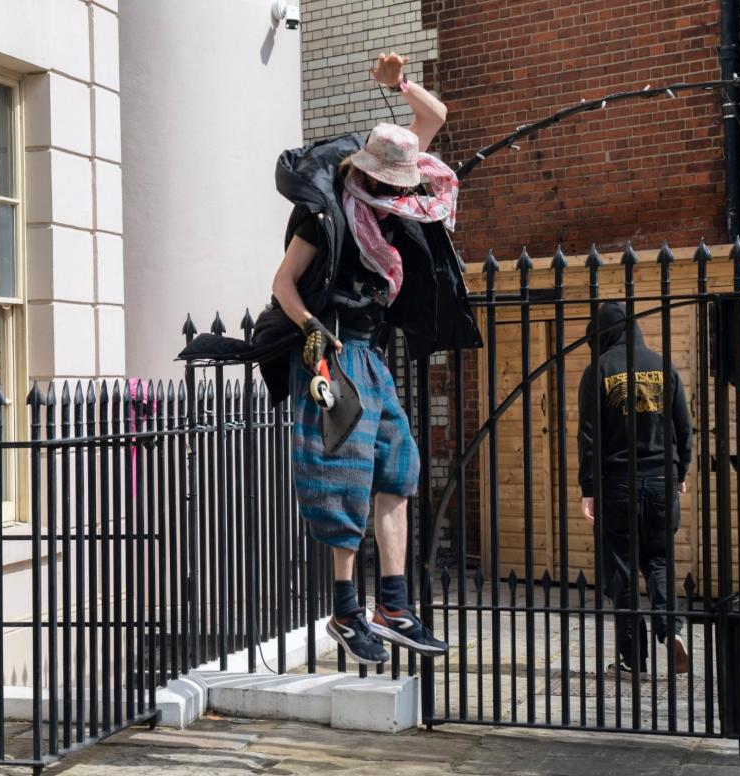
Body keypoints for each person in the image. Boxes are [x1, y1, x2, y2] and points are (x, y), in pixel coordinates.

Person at [255, 53, 480, 664]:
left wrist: (398, 84)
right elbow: (283, 283)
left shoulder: (388, 202)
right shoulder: (325, 211)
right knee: (343, 480)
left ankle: (395, 605)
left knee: (399, 470)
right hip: (331, 352)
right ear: (371, 179)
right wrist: (313, 334)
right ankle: (346, 609)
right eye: (392, 188)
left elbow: (435, 116)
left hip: (372, 356)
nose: (401, 198)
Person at [577, 301, 693, 676]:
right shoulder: (664, 366)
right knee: (659, 559)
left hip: (617, 484)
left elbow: (589, 437)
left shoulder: (598, 371)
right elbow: (683, 427)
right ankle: (671, 628)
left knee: (623, 569)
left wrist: (589, 487)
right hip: (662, 479)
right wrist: (682, 470)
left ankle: (633, 659)